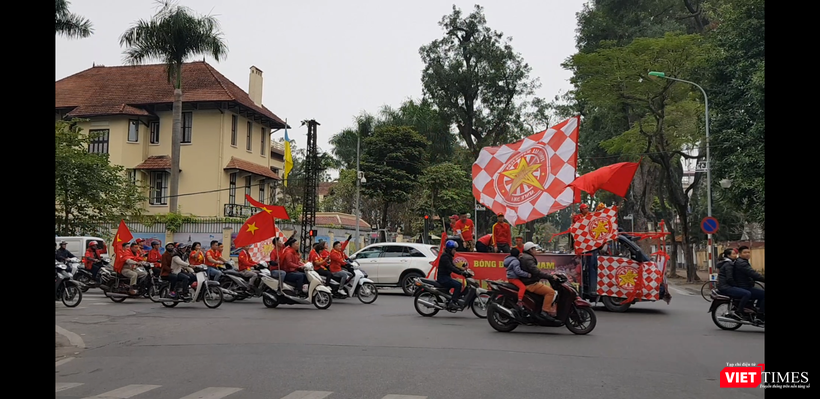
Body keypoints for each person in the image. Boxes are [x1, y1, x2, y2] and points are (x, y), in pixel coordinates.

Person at [518, 242, 559, 322]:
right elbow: (536, 272)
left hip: (527, 281)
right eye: (534, 249)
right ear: (530, 250)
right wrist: (550, 276)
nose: (536, 250)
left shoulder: (524, 256)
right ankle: (545, 312)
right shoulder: (529, 259)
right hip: (531, 283)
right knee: (551, 292)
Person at [436, 240, 467, 310]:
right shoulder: (445, 257)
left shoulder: (448, 256)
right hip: (443, 278)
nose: (455, 251)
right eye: (454, 249)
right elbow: (450, 267)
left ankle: (451, 299)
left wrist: (462, 270)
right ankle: (453, 302)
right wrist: (460, 273)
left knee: (457, 284)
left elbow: (453, 266)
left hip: (446, 277)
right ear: (450, 249)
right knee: (458, 285)